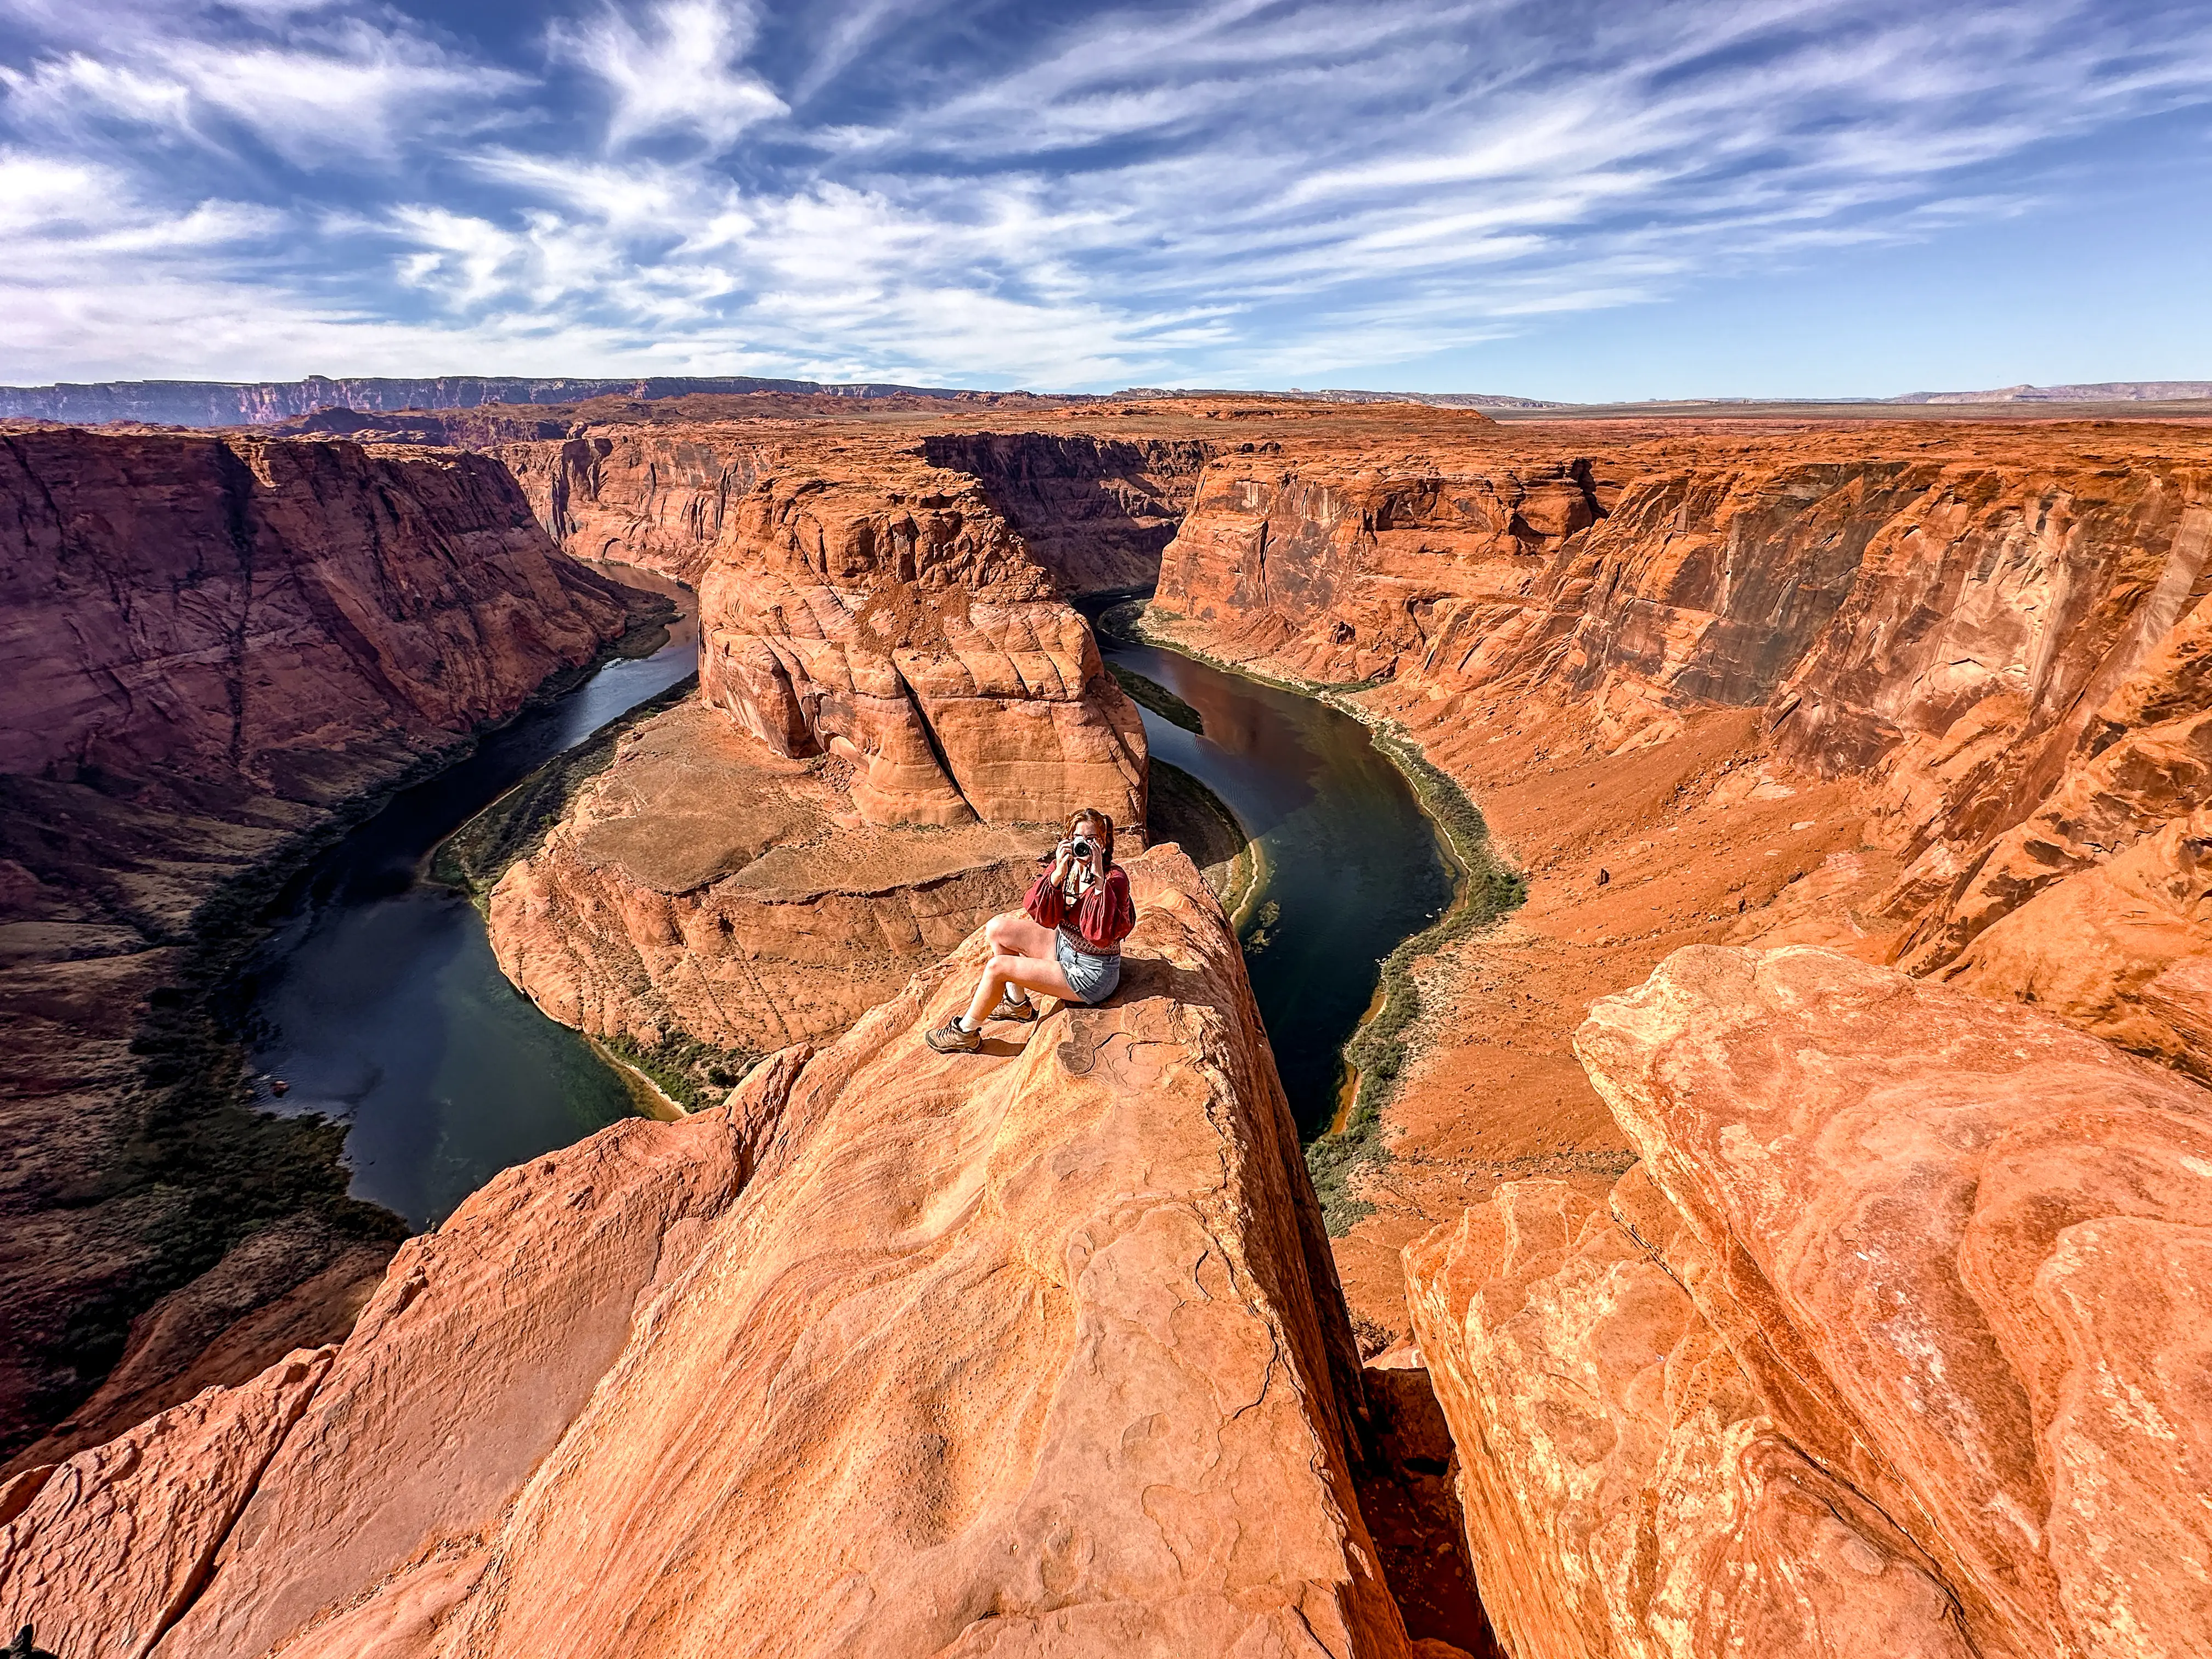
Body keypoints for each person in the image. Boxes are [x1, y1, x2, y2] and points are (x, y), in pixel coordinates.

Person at [926, 807, 1136, 1054]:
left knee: (998, 968)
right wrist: (1057, 875)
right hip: (1064, 947)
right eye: (1080, 839)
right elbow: (1041, 913)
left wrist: (1098, 876)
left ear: (1103, 842)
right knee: (997, 928)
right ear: (1069, 840)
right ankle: (1017, 1005)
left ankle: (965, 1033)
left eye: (1093, 839)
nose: (1086, 846)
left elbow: (1099, 934)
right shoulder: (1066, 867)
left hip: (1091, 973)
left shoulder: (1114, 879)